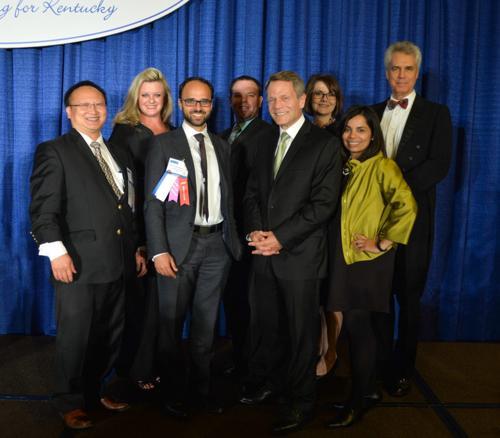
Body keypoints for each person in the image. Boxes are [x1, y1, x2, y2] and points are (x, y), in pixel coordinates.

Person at [29, 81, 147, 430]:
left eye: (99, 105)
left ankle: (95, 393)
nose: (93, 111)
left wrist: (136, 248)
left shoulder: (118, 152)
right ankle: (69, 402)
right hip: (78, 262)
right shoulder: (54, 151)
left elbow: (128, 206)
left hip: (119, 260)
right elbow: (43, 210)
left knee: (109, 334)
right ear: (69, 112)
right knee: (76, 336)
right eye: (84, 106)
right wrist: (56, 253)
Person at [242, 71, 341, 434]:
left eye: (284, 98)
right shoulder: (264, 139)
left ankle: (301, 400)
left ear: (301, 101)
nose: (277, 105)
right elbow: (252, 193)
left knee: (301, 333)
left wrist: (280, 238)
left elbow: (323, 204)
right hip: (263, 253)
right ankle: (270, 383)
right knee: (266, 325)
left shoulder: (324, 144)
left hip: (299, 256)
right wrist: (256, 232)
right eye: (272, 99)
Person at [144, 77, 242, 418]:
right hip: (176, 249)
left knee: (205, 326)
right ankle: (172, 394)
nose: (198, 107)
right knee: (170, 326)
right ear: (181, 104)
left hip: (217, 246)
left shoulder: (223, 146)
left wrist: (232, 242)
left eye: (204, 101)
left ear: (212, 105)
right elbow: (153, 203)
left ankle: (201, 392)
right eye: (191, 101)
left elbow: (229, 198)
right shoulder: (163, 145)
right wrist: (158, 251)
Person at [325, 106, 417, 428]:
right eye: (348, 129)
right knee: (354, 328)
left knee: (359, 327)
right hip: (343, 257)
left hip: (366, 262)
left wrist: (382, 243)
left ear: (373, 134)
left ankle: (358, 401)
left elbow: (407, 206)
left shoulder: (383, 166)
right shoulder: (344, 165)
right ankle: (366, 390)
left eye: (361, 130)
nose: (352, 136)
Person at [372, 41, 452, 396]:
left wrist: (395, 192)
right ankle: (379, 362)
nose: (401, 75)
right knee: (378, 296)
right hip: (374, 221)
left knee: (408, 297)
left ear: (417, 73)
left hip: (412, 222)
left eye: (407, 69)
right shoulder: (373, 112)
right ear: (386, 72)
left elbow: (439, 165)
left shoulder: (436, 114)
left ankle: (402, 369)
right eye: (395, 68)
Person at [110, 67, 174, 390]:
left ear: (165, 99)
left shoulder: (174, 131)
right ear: (136, 97)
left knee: (165, 305)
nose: (151, 101)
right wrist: (137, 243)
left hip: (171, 229)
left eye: (157, 95)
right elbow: (123, 193)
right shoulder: (125, 132)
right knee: (141, 306)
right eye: (145, 95)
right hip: (142, 232)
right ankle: (135, 369)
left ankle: (158, 363)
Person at [219, 75, 270, 379]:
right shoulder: (223, 135)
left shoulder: (270, 135)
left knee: (254, 302)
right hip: (225, 232)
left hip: (253, 231)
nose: (244, 101)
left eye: (250, 95)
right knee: (234, 298)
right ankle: (239, 358)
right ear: (230, 101)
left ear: (260, 101)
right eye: (238, 96)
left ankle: (254, 366)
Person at [305, 73, 345, 378]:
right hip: (307, 224)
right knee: (313, 293)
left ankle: (331, 351)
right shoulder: (301, 132)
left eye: (330, 93)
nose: (324, 99)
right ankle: (314, 349)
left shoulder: (347, 132)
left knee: (333, 292)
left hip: (337, 223)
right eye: (318, 93)